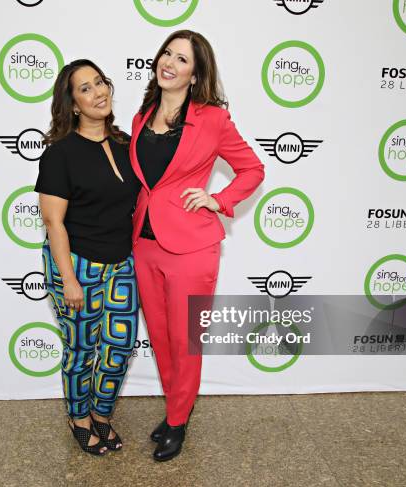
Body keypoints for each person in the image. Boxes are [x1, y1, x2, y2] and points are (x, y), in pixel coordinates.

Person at [130, 30, 265, 462]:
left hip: (191, 247)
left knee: (185, 340)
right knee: (161, 337)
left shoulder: (213, 120)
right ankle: (176, 410)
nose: (168, 62)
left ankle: (177, 422)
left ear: (195, 73)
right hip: (144, 243)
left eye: (181, 59)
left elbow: (252, 169)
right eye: (166, 53)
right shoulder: (142, 115)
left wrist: (219, 199)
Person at [35, 59, 140, 456]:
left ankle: (101, 413)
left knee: (119, 347)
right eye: (85, 88)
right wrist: (69, 280)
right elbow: (53, 221)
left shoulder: (126, 143)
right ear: (73, 103)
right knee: (81, 350)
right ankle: (78, 418)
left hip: (121, 263)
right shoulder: (60, 154)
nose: (99, 92)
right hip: (76, 263)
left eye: (100, 82)